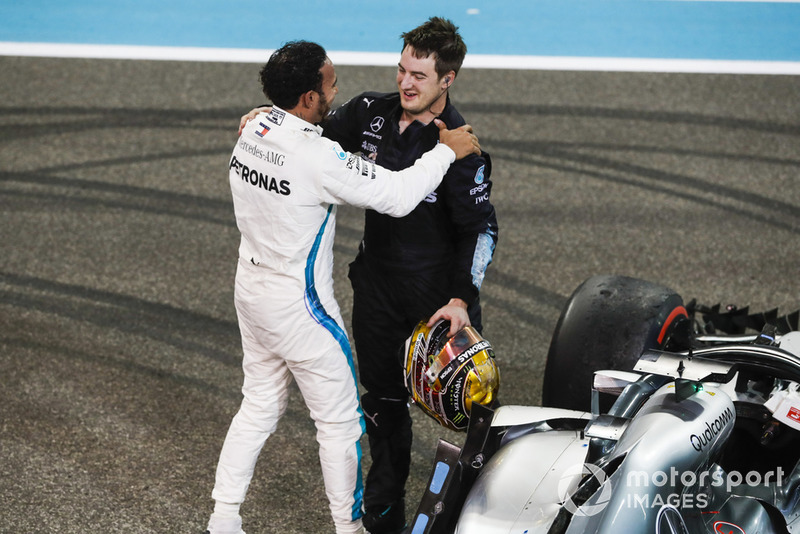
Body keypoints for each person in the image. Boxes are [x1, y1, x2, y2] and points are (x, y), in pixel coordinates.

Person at [206, 40, 481, 534]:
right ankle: (348, 529)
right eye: (330, 84)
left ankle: (223, 519)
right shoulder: (318, 155)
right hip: (300, 306)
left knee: (259, 403)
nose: (338, 92)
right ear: (309, 97)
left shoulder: (254, 130)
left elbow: (477, 226)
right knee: (340, 424)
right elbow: (396, 197)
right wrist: (444, 151)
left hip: (250, 289)